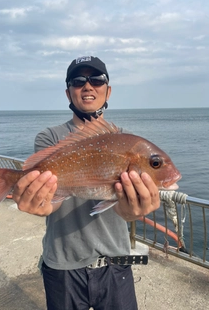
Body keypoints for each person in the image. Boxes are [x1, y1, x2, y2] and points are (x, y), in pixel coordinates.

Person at [12, 56, 160, 310]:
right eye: (78, 81)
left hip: (116, 264)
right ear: (68, 93)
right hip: (63, 265)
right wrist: (42, 204)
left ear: (108, 90)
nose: (88, 86)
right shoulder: (50, 138)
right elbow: (51, 201)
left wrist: (131, 210)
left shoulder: (124, 141)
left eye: (97, 79)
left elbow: (122, 211)